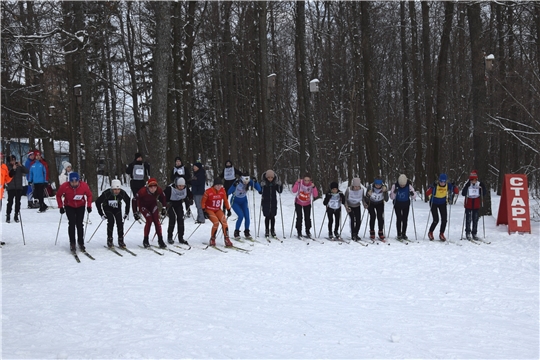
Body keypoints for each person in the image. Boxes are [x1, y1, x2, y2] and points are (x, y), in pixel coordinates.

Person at [56, 172, 93, 253]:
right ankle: (72, 243)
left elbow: (89, 195)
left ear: (78, 181)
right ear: (69, 181)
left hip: (81, 205)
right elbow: (58, 195)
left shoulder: (84, 185)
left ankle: (81, 242)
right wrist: (60, 206)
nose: (74, 184)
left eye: (76, 181)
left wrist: (89, 205)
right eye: (72, 182)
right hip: (69, 206)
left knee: (79, 224)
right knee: (72, 223)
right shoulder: (64, 186)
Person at [133, 178, 167, 249]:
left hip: (152, 205)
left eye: (155, 187)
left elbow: (163, 197)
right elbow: (134, 200)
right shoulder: (142, 191)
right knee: (149, 220)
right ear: (148, 186)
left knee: (156, 221)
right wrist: (135, 212)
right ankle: (145, 240)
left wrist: (164, 207)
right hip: (143, 206)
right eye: (151, 187)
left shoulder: (158, 189)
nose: (153, 189)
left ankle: (160, 240)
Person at [96, 179, 130, 248]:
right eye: (115, 189)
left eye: (118, 189)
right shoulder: (107, 193)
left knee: (120, 222)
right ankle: (110, 239)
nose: (117, 191)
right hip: (107, 207)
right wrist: (101, 214)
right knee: (111, 221)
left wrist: (126, 212)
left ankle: (121, 240)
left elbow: (128, 200)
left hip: (117, 208)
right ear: (112, 188)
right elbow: (97, 202)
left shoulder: (122, 193)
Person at [425, 173, 459, 241]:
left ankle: (441, 233)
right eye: (441, 181)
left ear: (446, 181)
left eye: (444, 182)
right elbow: (427, 193)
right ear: (439, 181)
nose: (442, 183)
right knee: (436, 220)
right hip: (434, 203)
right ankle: (430, 232)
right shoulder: (435, 185)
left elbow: (456, 192)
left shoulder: (448, 185)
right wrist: (432, 187)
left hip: (442, 203)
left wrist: (454, 186)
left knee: (444, 220)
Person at [228, 174, 262, 239]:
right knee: (241, 216)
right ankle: (236, 232)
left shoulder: (249, 181)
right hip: (235, 201)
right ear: (241, 178)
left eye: (247, 181)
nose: (246, 183)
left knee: (247, 216)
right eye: (244, 181)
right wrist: (234, 185)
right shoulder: (237, 182)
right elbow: (228, 192)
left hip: (243, 201)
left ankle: (247, 231)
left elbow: (259, 189)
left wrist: (255, 182)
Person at [201, 178, 232, 247]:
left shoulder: (222, 191)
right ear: (214, 185)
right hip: (209, 209)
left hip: (217, 209)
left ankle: (227, 239)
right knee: (216, 222)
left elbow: (225, 201)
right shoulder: (208, 192)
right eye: (217, 185)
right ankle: (212, 239)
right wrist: (204, 211)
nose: (219, 187)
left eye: (220, 185)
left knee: (224, 222)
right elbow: (203, 202)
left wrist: (228, 209)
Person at [164, 177, 193, 245]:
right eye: (179, 186)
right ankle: (170, 237)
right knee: (172, 218)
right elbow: (161, 197)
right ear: (176, 185)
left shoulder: (185, 188)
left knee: (180, 218)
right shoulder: (169, 189)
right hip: (170, 204)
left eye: (182, 186)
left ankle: (181, 237)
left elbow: (190, 194)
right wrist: (166, 203)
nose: (181, 187)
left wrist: (190, 199)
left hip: (178, 203)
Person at [389, 174, 417, 240]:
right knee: (399, 218)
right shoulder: (395, 186)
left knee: (405, 219)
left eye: (403, 185)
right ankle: (399, 234)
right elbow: (392, 197)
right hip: (397, 204)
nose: (402, 186)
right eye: (401, 185)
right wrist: (394, 192)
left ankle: (404, 233)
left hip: (406, 204)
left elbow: (414, 196)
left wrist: (412, 194)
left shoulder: (409, 186)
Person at [292, 173, 319, 238]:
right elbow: (294, 191)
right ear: (303, 179)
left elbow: (315, 195)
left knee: (307, 218)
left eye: (308, 180)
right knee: (299, 217)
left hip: (307, 203)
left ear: (310, 180)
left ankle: (307, 231)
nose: (306, 182)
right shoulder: (299, 183)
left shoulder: (311, 185)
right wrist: (296, 183)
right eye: (305, 180)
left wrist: (314, 187)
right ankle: (299, 231)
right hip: (298, 202)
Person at [461, 170, 486, 240]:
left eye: (475, 180)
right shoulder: (468, 184)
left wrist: (482, 189)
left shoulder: (479, 184)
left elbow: (484, 193)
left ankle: (474, 233)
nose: (473, 181)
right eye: (472, 180)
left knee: (475, 219)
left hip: (476, 203)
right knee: (468, 219)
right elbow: (463, 193)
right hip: (468, 203)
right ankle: (467, 232)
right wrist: (467, 187)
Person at [260, 170, 283, 238]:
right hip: (265, 202)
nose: (270, 179)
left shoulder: (274, 184)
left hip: (273, 202)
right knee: (267, 216)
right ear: (266, 177)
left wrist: (280, 185)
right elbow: (260, 191)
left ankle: (272, 230)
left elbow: (279, 191)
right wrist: (261, 185)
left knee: (272, 216)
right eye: (268, 177)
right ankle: (267, 230)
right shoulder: (264, 183)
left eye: (271, 177)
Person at [6, 155, 28, 223]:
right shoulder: (7, 167)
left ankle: (16, 214)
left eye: (14, 160)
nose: (13, 162)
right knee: (10, 202)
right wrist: (13, 169)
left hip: (18, 187)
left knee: (18, 202)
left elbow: (27, 171)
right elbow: (10, 174)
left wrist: (21, 166)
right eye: (12, 160)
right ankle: (8, 215)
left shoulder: (19, 167)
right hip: (11, 187)